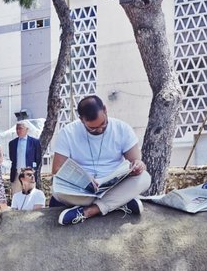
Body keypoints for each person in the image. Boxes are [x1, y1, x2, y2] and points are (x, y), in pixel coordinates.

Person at [53, 95, 150, 226]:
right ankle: (119, 202)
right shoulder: (67, 133)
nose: (99, 129)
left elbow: (136, 161)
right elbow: (57, 169)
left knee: (144, 178)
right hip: (83, 192)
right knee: (57, 191)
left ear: (105, 110)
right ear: (82, 120)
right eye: (92, 128)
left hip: (113, 186)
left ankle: (89, 211)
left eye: (103, 124)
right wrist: (83, 179)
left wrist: (138, 165)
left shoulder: (122, 129)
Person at [8, 120, 43, 194]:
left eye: (20, 128)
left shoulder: (34, 142)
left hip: (29, 174)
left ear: (27, 129)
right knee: (16, 195)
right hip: (16, 174)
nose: (18, 130)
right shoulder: (12, 143)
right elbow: (12, 158)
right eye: (17, 129)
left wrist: (32, 170)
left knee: (30, 196)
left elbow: (38, 158)